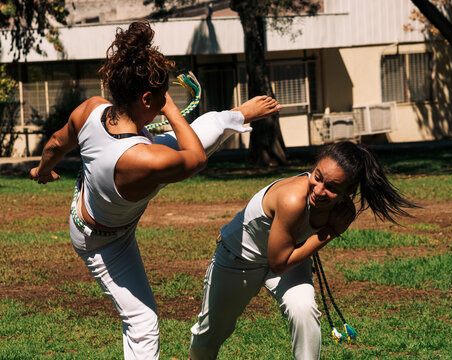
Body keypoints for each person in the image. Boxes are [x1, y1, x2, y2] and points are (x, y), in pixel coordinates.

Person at [29, 20, 281, 359]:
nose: (166, 101)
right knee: (143, 322)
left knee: (203, 132)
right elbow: (194, 159)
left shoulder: (92, 109)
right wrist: (171, 108)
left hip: (102, 200)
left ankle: (236, 115)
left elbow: (57, 143)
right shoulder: (141, 159)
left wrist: (42, 170)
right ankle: (233, 117)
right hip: (103, 242)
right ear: (148, 99)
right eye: (161, 97)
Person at [188, 141, 417, 360]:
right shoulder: (292, 198)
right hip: (239, 260)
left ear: (349, 191)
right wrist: (329, 233)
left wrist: (328, 230)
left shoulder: (342, 209)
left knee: (303, 309)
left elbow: (281, 263)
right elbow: (278, 263)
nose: (319, 190)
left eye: (332, 188)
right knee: (209, 336)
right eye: (317, 177)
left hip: (290, 259)